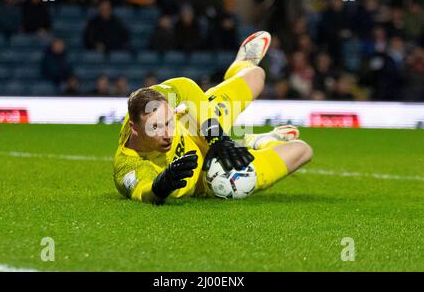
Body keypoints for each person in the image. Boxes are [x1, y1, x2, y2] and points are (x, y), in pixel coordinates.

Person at [113, 31, 313, 204]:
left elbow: (185, 86)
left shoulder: (151, 100)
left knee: (256, 75)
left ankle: (239, 66)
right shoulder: (127, 165)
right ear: (134, 128)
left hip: (196, 127)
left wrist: (215, 136)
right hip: (210, 175)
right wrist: (160, 187)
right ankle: (256, 142)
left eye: (168, 123)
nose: (168, 134)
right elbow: (143, 191)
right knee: (302, 150)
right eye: (155, 128)